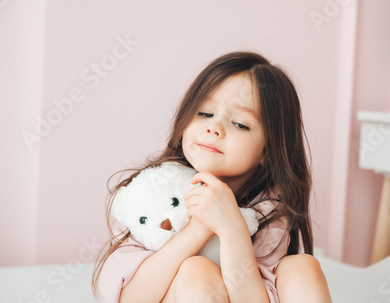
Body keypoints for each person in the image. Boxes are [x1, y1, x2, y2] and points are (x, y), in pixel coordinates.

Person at [92, 51, 332, 303]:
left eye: (240, 123)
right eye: (205, 113)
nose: (213, 128)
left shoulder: (269, 212)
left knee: (302, 266)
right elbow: (129, 298)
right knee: (197, 271)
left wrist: (232, 228)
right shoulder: (153, 190)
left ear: (268, 150)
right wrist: (198, 229)